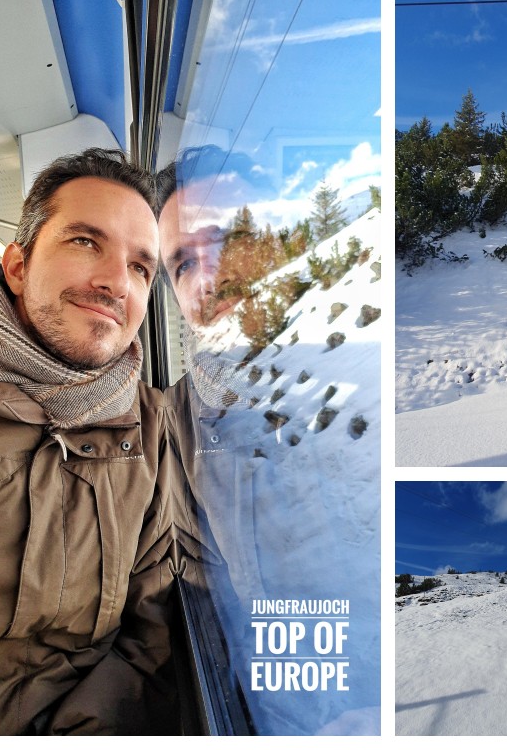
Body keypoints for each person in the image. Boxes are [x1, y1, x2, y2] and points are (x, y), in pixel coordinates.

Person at [155, 147, 380, 735]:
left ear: (281, 238)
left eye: (227, 238)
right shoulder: (172, 428)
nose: (208, 275)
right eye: (181, 263)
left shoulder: (369, 370)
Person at [0, 148, 180, 735]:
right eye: (85, 242)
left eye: (141, 268)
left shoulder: (150, 432)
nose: (116, 281)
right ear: (17, 266)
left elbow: (153, 638)